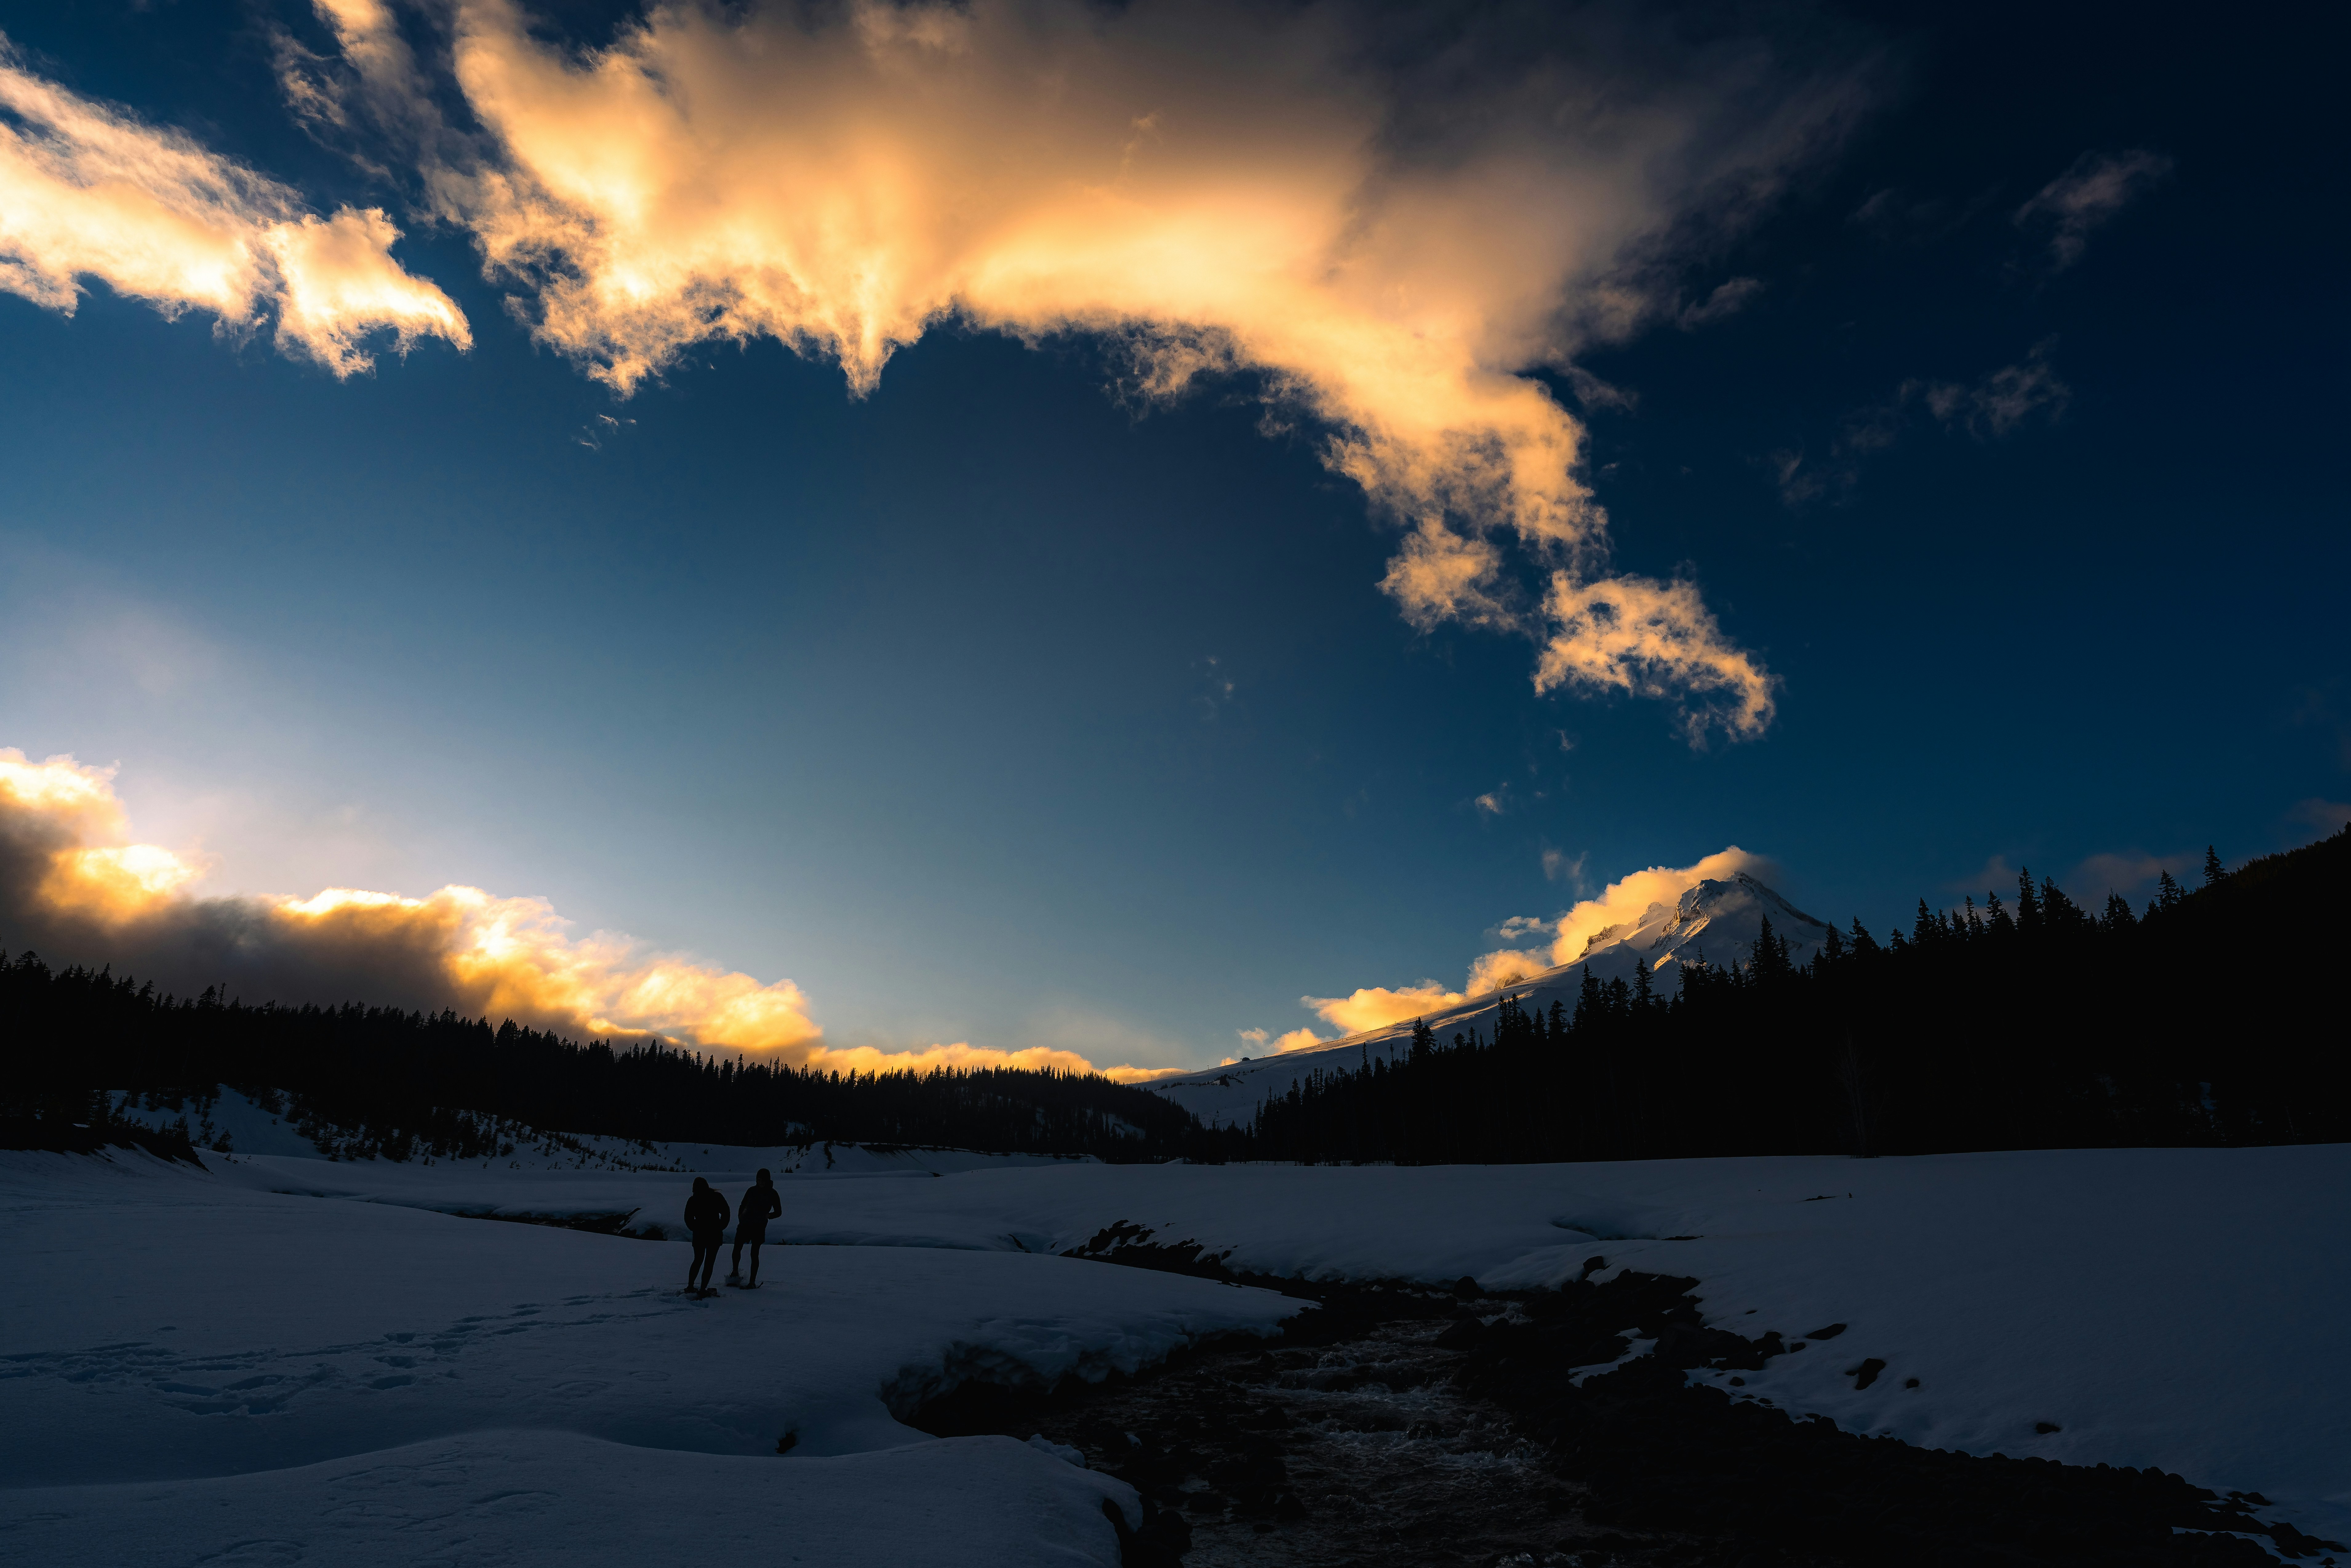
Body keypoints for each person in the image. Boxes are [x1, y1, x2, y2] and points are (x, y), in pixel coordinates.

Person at [727, 1168, 783, 1288]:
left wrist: (769, 1216)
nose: (761, 1182)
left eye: (763, 1180)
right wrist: (741, 1217)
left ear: (768, 1180)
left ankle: (752, 1281)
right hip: (745, 1225)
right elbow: (743, 1205)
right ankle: (735, 1272)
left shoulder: (773, 1194)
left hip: (759, 1227)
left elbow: (779, 1212)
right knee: (737, 1248)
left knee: (754, 1254)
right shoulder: (751, 1191)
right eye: (759, 1180)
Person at [682, 1176, 730, 1297]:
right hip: (714, 1235)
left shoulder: (693, 1200)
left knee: (698, 1260)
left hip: (700, 1235)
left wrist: (696, 1228)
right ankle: (703, 1289)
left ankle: (691, 1286)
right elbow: (726, 1213)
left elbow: (688, 1219)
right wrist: (720, 1227)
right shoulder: (716, 1197)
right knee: (709, 1262)